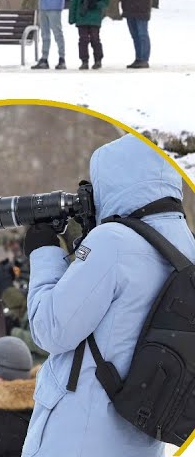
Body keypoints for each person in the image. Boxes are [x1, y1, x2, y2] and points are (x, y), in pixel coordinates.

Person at [21, 134, 195, 457]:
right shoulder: (187, 246)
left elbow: (51, 329)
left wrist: (43, 251)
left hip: (77, 437)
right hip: (141, 439)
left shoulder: (113, 242)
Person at [67, 0, 107, 70]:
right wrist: (72, 17)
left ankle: (98, 60)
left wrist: (96, 4)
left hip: (94, 20)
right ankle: (84, 61)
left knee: (95, 39)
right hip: (82, 18)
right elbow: (73, 3)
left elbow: (106, 1)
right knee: (83, 40)